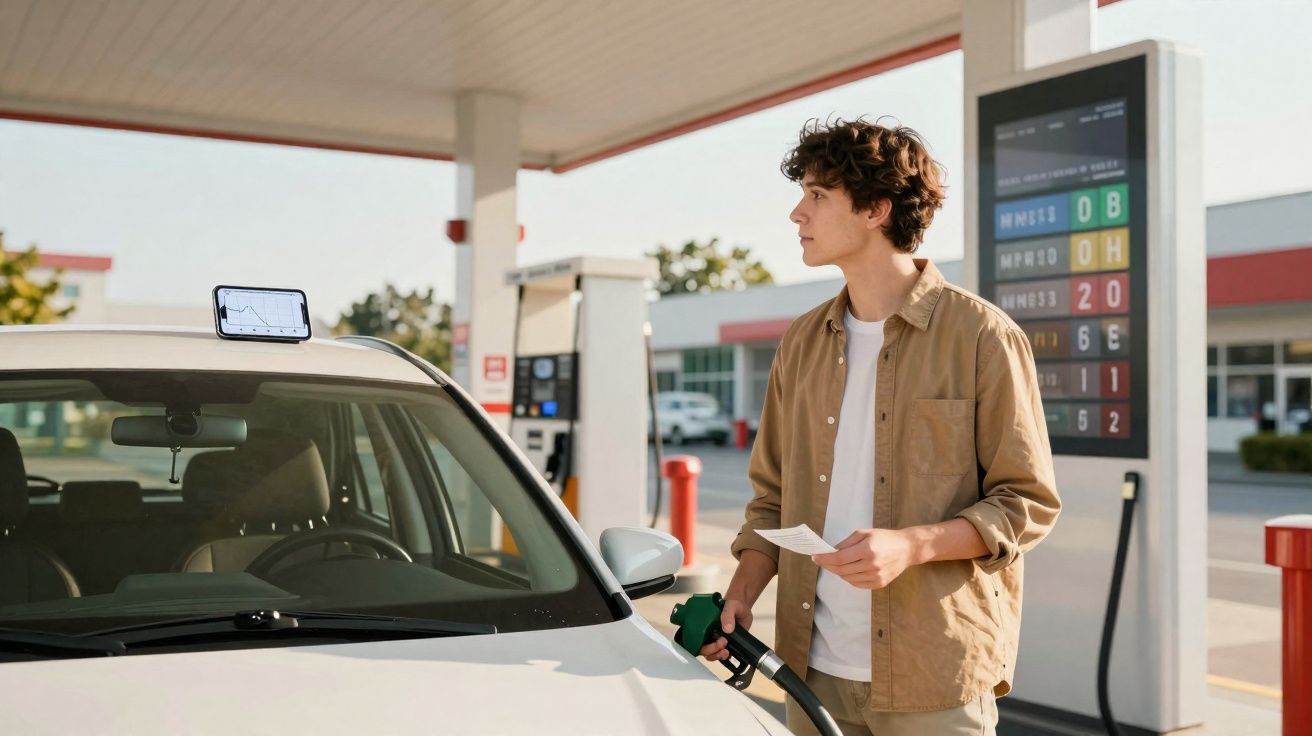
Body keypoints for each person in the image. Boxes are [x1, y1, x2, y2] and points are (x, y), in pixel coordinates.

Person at [699, 118, 1061, 735]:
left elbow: (1026, 502)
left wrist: (911, 545)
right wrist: (740, 595)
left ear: (875, 209)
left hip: (934, 676)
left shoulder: (982, 337)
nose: (796, 213)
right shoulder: (803, 341)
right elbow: (772, 497)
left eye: (817, 195)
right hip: (809, 673)